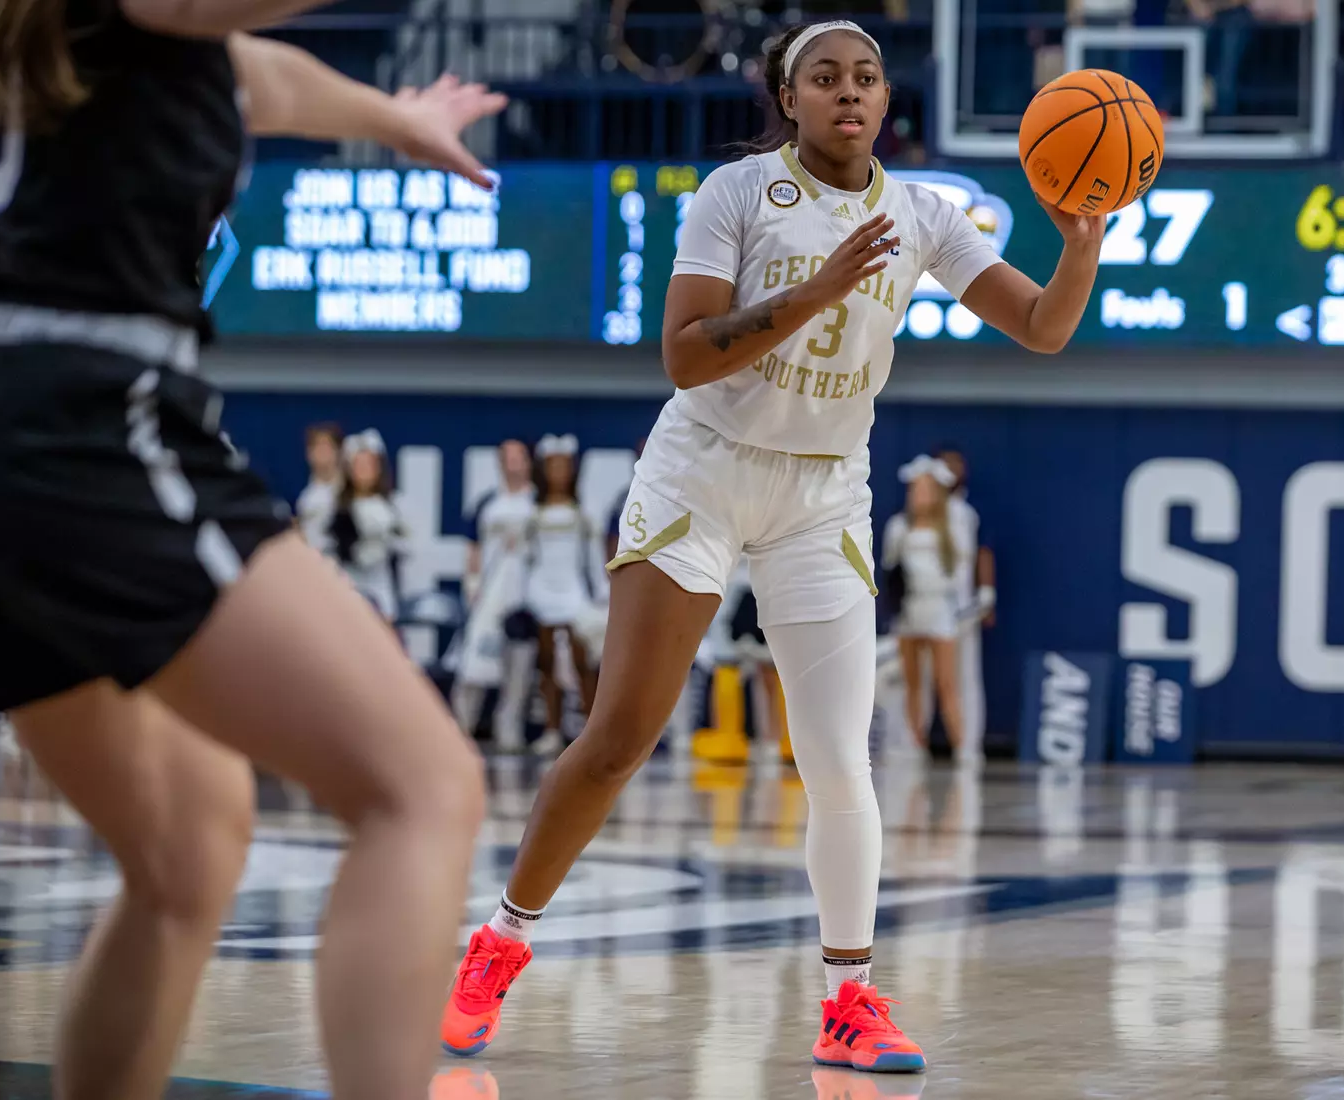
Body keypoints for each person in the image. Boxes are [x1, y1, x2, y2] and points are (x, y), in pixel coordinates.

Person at [440, 18, 1103, 1073]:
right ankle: (499, 940)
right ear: (788, 99)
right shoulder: (737, 194)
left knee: (840, 757)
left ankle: (848, 999)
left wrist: (1081, 244)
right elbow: (684, 355)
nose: (851, 92)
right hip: (703, 470)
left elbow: (1044, 327)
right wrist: (815, 291)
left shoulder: (924, 214)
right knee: (620, 736)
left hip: (823, 493)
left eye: (867, 77)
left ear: (886, 100)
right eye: (825, 77)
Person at [0, 5, 505, 1099]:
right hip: (78, 416)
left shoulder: (61, 36)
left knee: (191, 842)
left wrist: (394, 119)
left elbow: (268, 76)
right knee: (424, 787)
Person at [452, 438, 539, 748]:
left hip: (525, 595)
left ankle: (509, 730)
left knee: (519, 667)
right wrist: (472, 585)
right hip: (490, 594)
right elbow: (473, 549)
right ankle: (459, 730)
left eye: (518, 457)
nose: (512, 464)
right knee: (473, 663)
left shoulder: (537, 503)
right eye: (507, 458)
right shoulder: (487, 503)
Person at [523, 433, 603, 756]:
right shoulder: (533, 512)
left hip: (573, 591)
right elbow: (527, 556)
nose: (559, 472)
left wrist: (600, 592)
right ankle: (552, 729)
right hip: (542, 590)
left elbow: (593, 556)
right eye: (552, 465)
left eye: (564, 465)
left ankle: (590, 730)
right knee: (547, 663)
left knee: (582, 661)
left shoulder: (583, 512)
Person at [882, 456, 965, 758]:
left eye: (926, 490)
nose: (920, 496)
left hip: (939, 610)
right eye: (916, 490)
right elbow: (889, 567)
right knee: (912, 681)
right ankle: (916, 743)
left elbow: (958, 572)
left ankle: (960, 746)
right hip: (909, 611)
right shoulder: (898, 527)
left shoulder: (951, 528)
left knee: (946, 682)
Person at [937, 446, 994, 759]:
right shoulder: (914, 513)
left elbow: (983, 551)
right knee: (917, 679)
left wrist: (986, 594)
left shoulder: (969, 513)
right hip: (924, 605)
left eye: (955, 465)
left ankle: (969, 746)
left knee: (965, 677)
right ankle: (906, 744)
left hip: (962, 608)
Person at [330, 429, 408, 621]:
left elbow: (407, 544)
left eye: (369, 464)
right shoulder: (337, 506)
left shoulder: (394, 505)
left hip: (381, 587)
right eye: (358, 465)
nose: (364, 470)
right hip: (347, 584)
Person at [296, 421, 345, 553]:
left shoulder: (348, 492)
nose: (322, 453)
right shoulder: (306, 496)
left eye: (327, 447)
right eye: (316, 447)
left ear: (338, 451)